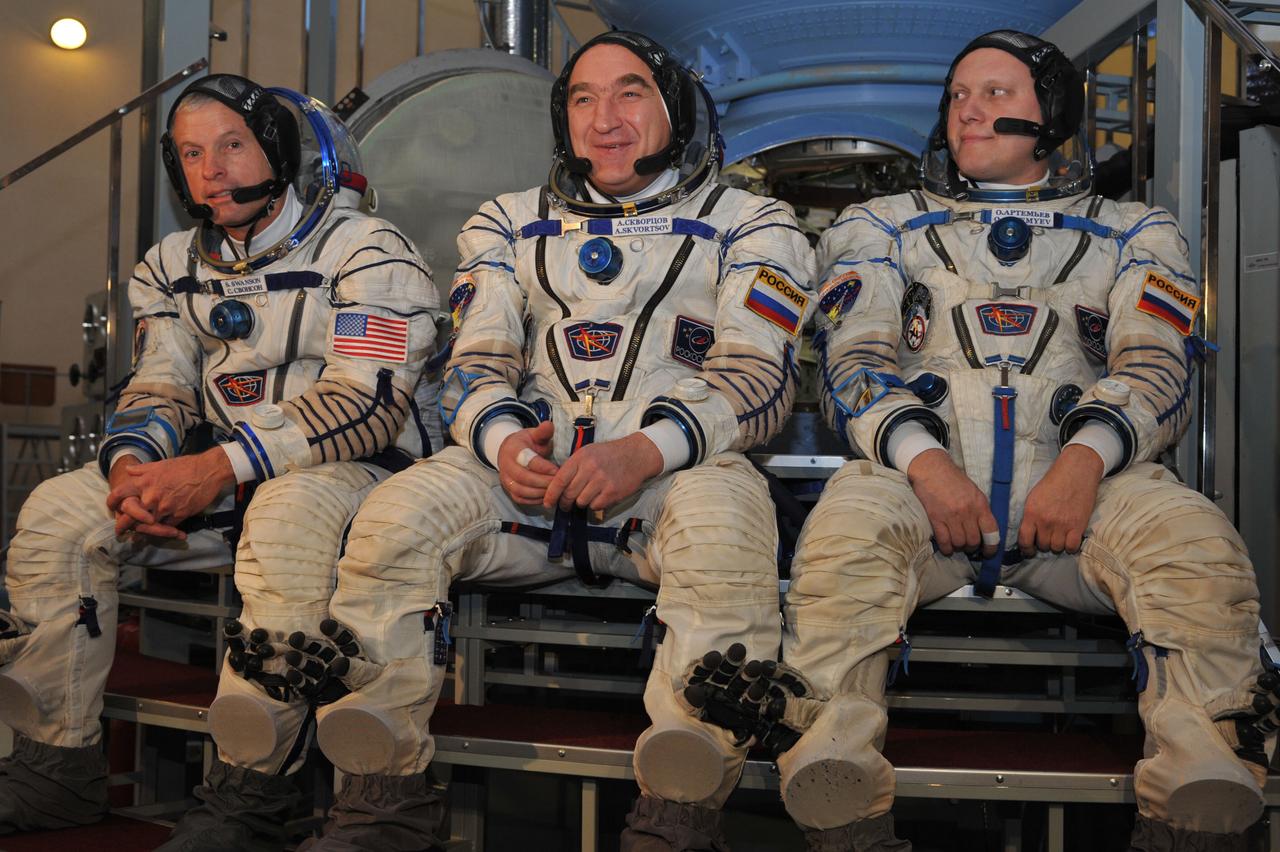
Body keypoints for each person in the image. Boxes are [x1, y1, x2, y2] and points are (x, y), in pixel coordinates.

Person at [687, 30, 1274, 852]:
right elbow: (857, 362)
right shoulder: (879, 226)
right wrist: (927, 466)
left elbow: (1155, 366)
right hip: (919, 483)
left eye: (996, 94)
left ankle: (1199, 785)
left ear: (1053, 115)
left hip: (1088, 488)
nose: (970, 109)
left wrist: (1082, 462)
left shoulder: (1137, 232)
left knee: (1197, 549)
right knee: (843, 545)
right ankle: (835, 779)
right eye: (959, 95)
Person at [298, 30, 814, 851]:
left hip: (674, 476)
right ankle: (377, 803)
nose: (604, 118)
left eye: (630, 93)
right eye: (583, 98)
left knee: (726, 529)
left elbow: (757, 380)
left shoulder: (756, 224)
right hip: (527, 483)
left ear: (676, 109)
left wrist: (640, 451)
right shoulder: (507, 222)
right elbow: (474, 366)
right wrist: (506, 447)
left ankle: (677, 819)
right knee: (396, 518)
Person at [0, 74, 442, 850]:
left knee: (284, 512)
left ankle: (251, 791)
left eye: (233, 146)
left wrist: (215, 470)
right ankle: (52, 769)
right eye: (192, 153)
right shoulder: (172, 264)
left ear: (279, 149)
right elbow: (161, 383)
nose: (212, 170)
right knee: (58, 516)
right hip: (223, 476)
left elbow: (369, 405)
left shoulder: (372, 250)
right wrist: (132, 473)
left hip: (351, 478)